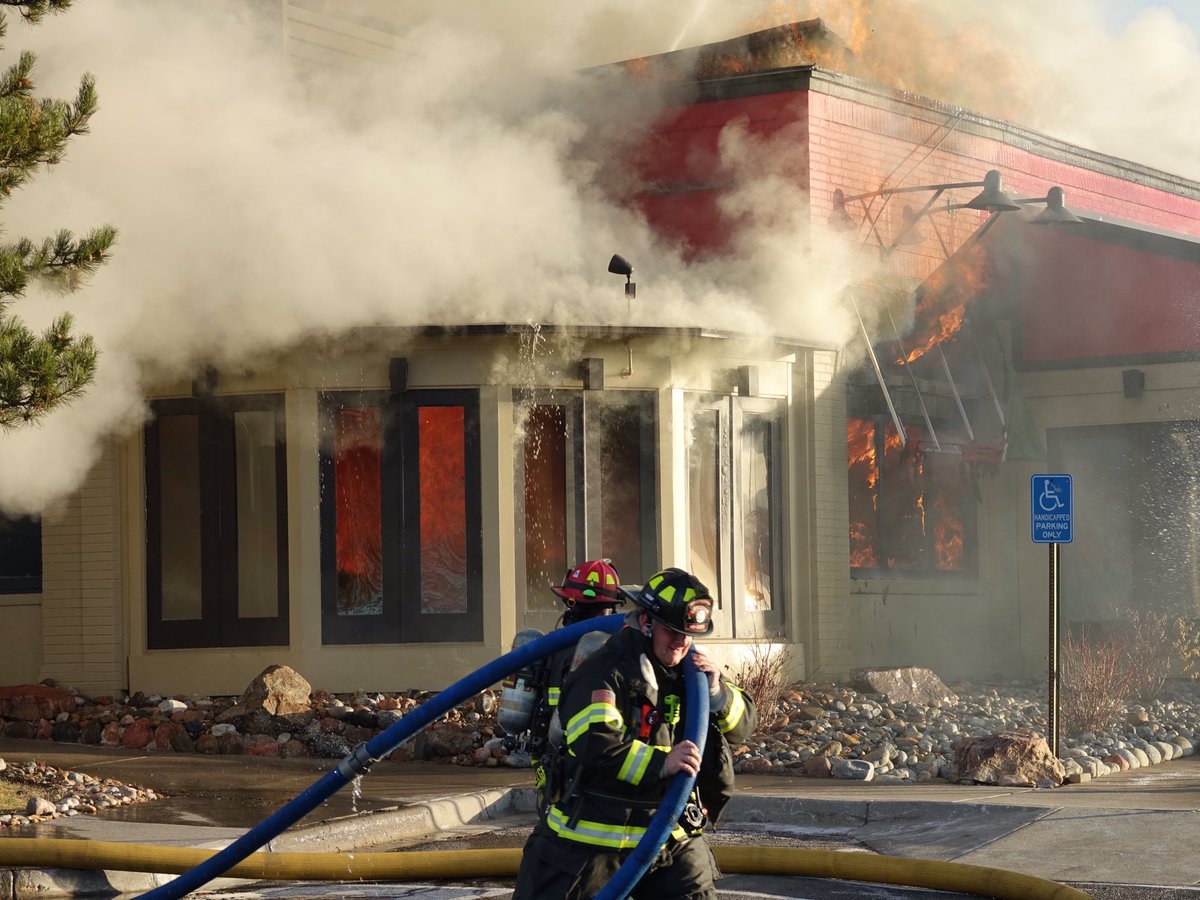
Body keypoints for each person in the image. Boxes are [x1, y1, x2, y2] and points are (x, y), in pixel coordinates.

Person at [513, 567, 758, 900]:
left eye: (687, 634)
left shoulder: (692, 673)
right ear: (645, 622)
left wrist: (717, 694)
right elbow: (596, 743)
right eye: (671, 631)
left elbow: (743, 727)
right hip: (589, 841)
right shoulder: (603, 671)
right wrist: (662, 763)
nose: (681, 642)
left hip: (668, 836)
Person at [520, 559, 624, 806]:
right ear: (611, 607)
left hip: (553, 758)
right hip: (605, 759)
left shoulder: (549, 647)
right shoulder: (619, 651)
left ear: (570, 602)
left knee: (555, 816)